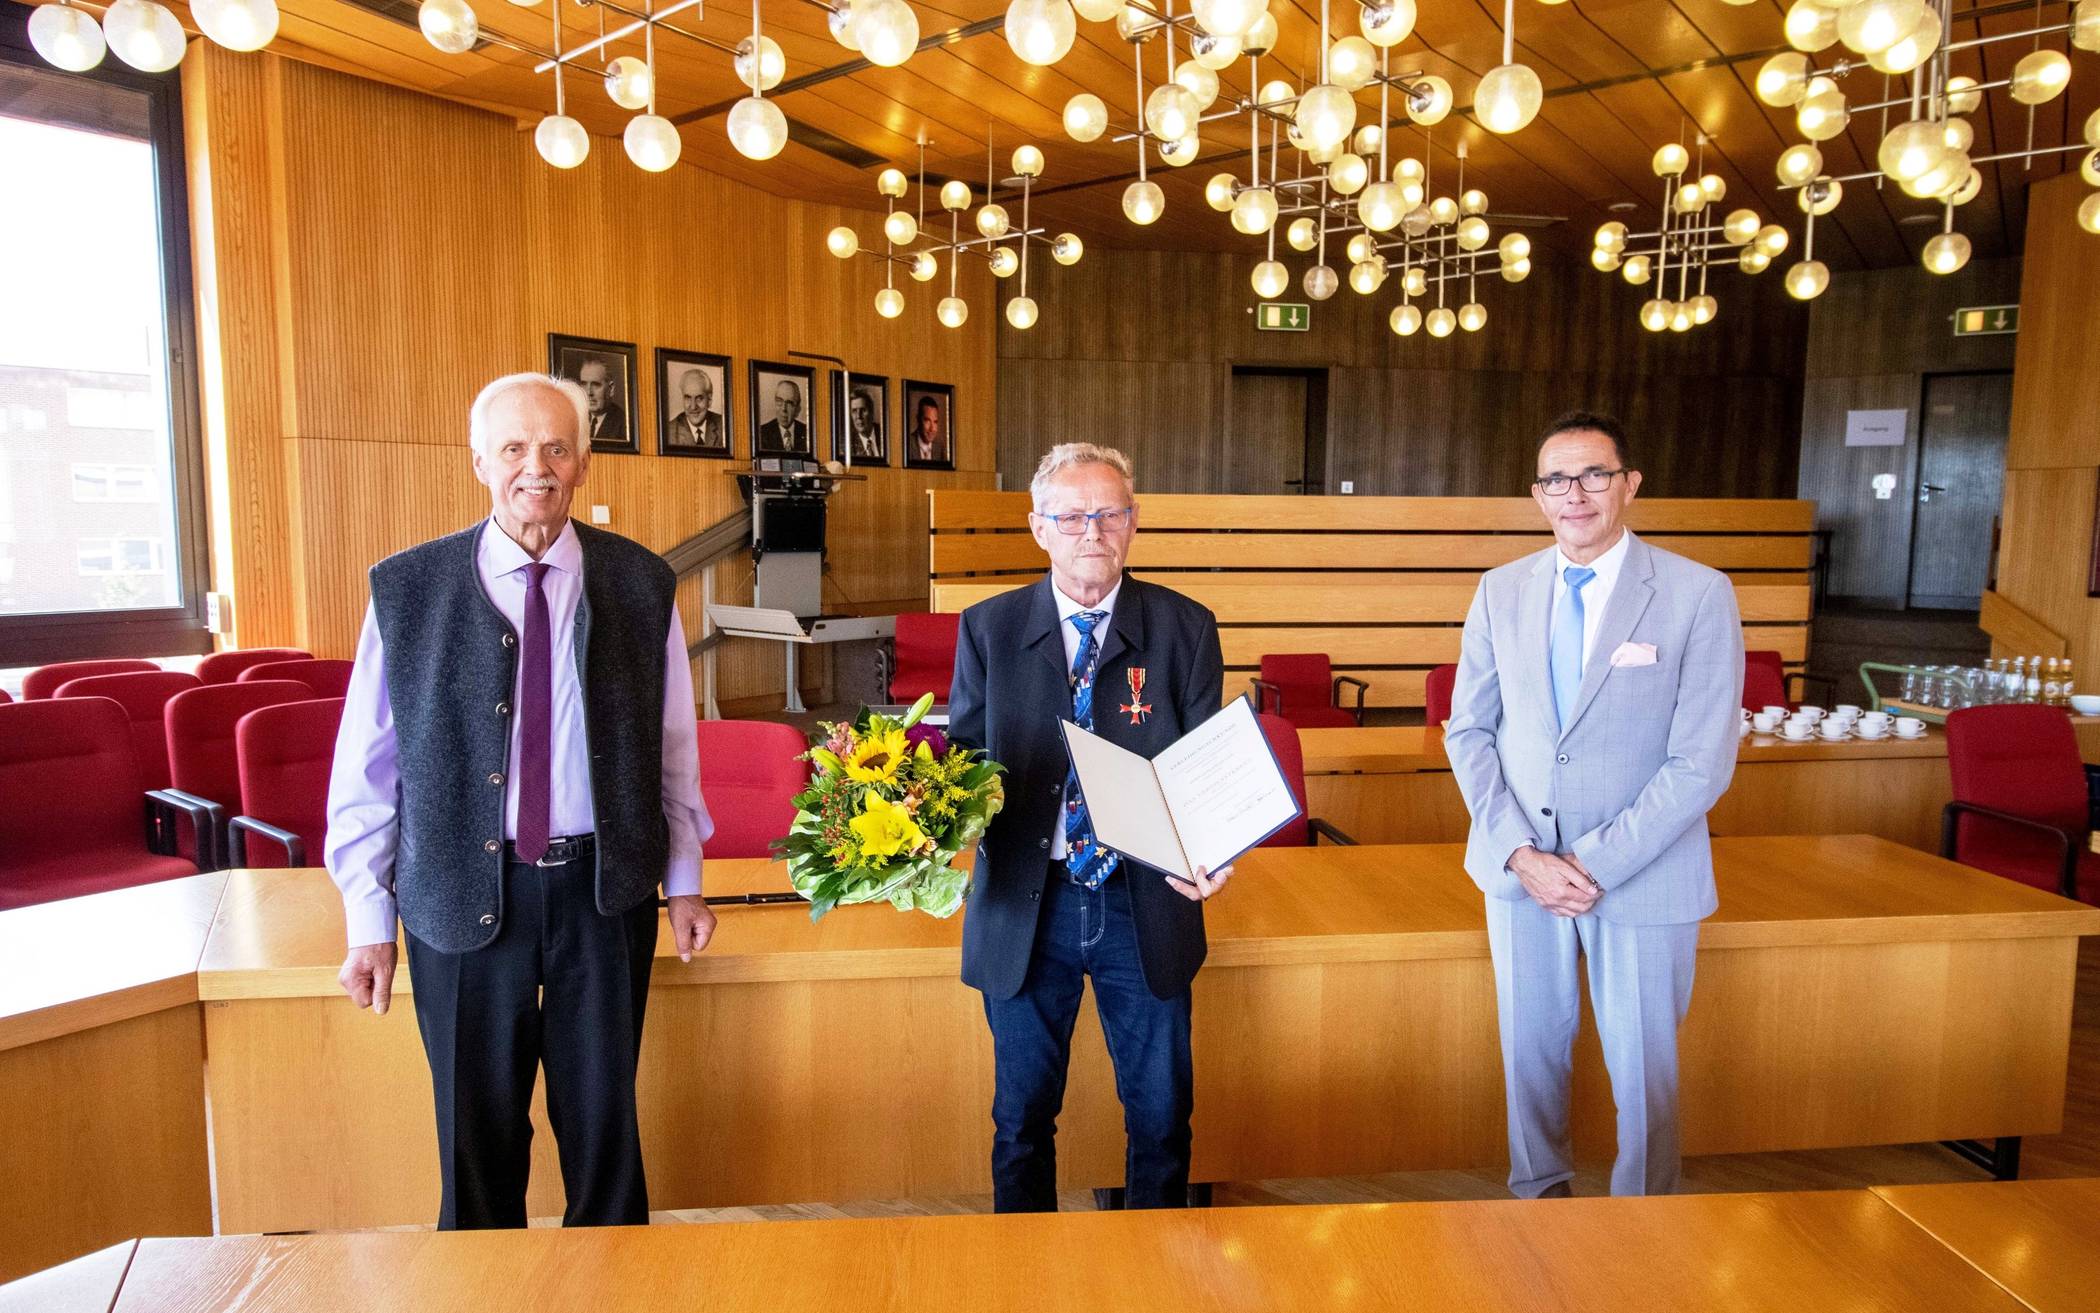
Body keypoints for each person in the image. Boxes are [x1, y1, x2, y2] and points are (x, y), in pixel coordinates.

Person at [325, 372, 718, 1230]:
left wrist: (683, 876)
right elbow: (367, 769)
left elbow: (673, 747)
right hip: (458, 901)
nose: (534, 467)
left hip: (602, 897)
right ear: (479, 463)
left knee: (606, 1139)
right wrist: (367, 919)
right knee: (475, 1148)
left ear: (582, 464)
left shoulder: (642, 582)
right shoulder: (408, 588)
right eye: (513, 448)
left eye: (554, 447)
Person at [1443, 410, 1742, 1199]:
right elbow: (1468, 729)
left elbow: (1701, 762)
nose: (1574, 493)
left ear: (1629, 484)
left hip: (1643, 875)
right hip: (1520, 870)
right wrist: (1518, 851)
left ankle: (1644, 1221)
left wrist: (1587, 862)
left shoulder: (1698, 594)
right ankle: (1538, 1198)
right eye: (1556, 479)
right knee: (1530, 1052)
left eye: (1593, 475)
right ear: (1538, 494)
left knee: (1646, 1068)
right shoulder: (1500, 590)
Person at [948, 441, 1232, 1213]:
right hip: (1025, 904)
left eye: (1108, 513)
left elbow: (1210, 767)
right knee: (1021, 1123)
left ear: (1133, 523)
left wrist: (1216, 844)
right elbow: (963, 762)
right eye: (1071, 515)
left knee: (1163, 1121)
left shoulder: (1186, 627)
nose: (1091, 531)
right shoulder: (987, 629)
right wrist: (932, 823)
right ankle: (1024, 1281)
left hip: (1144, 902)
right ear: (1038, 526)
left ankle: (1158, 1276)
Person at [666, 368, 724, 452]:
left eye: (699, 398)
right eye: (688, 398)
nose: (693, 407)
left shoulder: (724, 426)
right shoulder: (669, 433)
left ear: (709, 400)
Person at [577, 358, 627, 444]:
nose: (589, 392)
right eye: (584, 384)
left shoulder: (623, 425)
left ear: (611, 389)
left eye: (596, 385)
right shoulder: (576, 420)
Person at [756, 379, 809, 454]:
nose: (784, 408)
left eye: (789, 403)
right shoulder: (761, 433)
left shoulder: (808, 433)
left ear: (798, 409)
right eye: (779, 401)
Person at [846, 388, 882, 459]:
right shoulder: (847, 444)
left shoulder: (885, 434)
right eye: (854, 411)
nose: (858, 416)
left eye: (863, 410)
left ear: (871, 412)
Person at [908, 395, 944, 463]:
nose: (932, 429)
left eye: (935, 422)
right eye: (927, 421)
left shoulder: (939, 448)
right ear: (918, 419)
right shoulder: (908, 444)